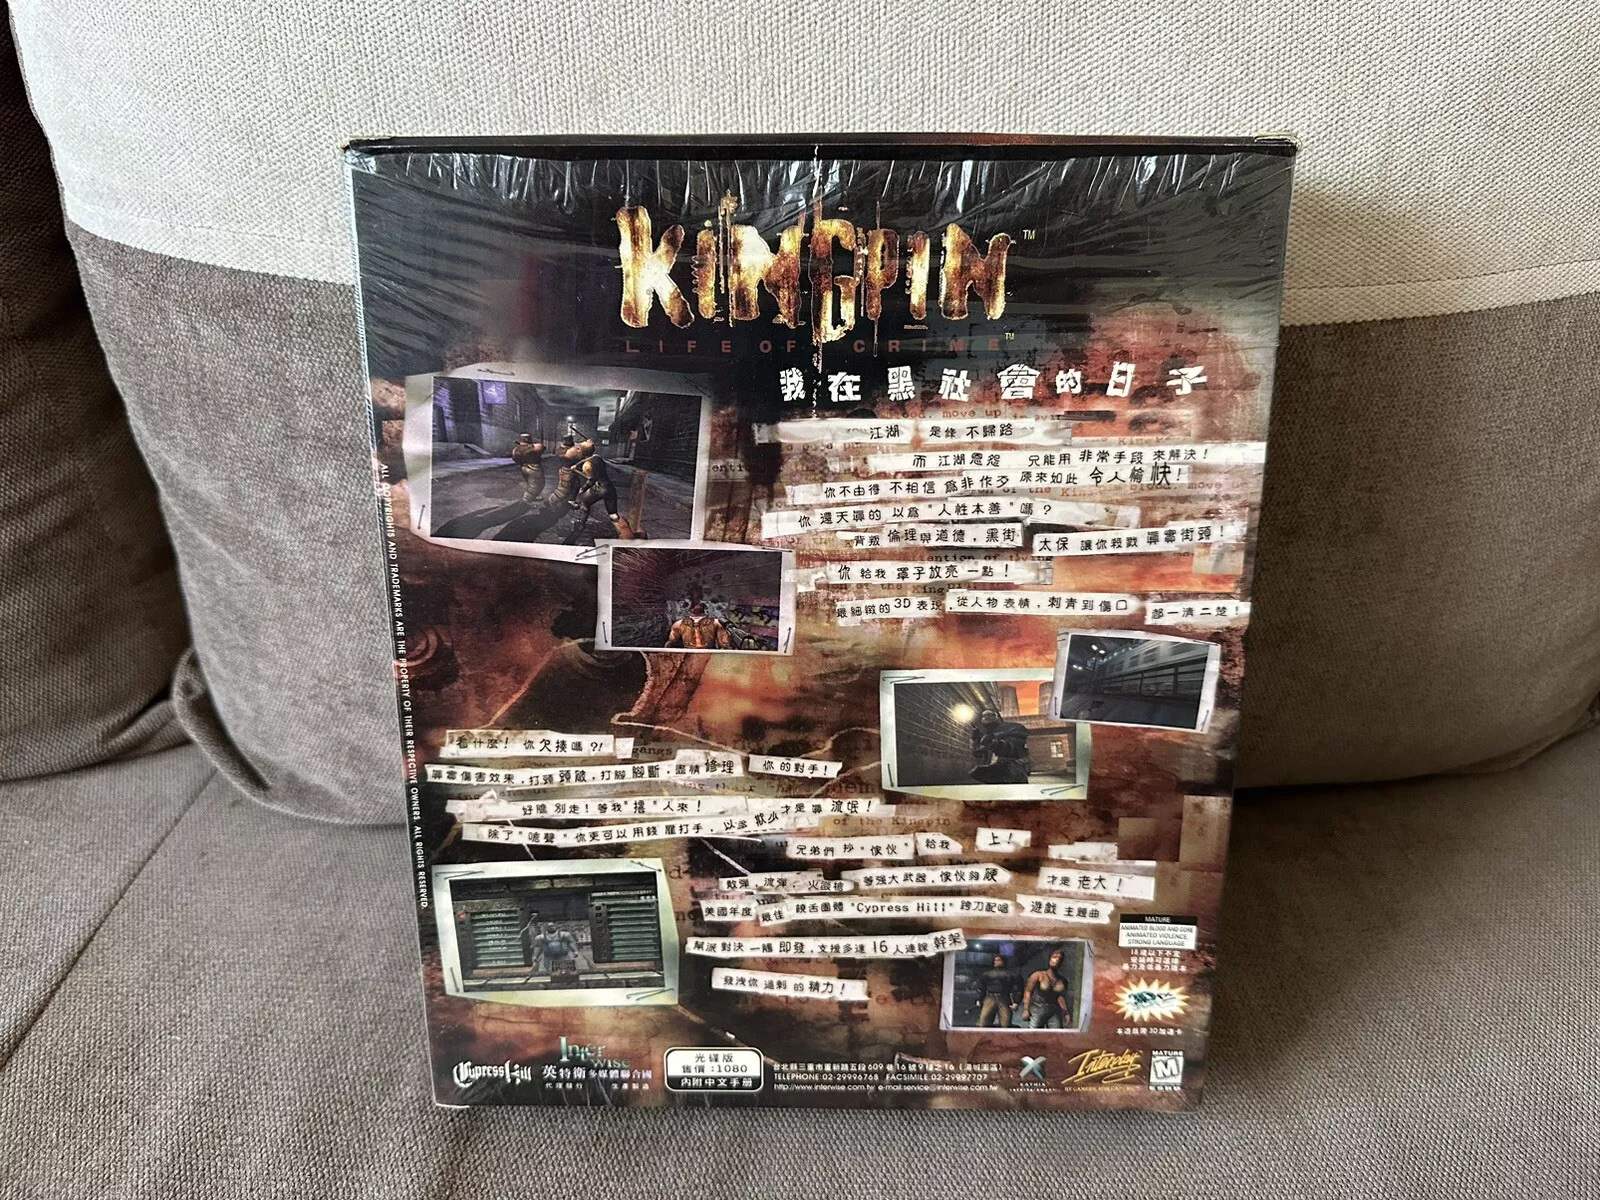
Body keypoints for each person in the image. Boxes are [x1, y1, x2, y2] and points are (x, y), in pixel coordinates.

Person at [970, 706, 1031, 784]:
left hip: (1013, 768)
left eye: (989, 716)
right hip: (999, 770)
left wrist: (991, 742)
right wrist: (976, 740)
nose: (987, 718)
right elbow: (978, 753)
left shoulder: (1012, 729)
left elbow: (1013, 749)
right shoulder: (988, 733)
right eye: (985, 717)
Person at [1022, 948, 1075, 1029]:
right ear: (1050, 958)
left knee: (1057, 1033)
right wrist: (1026, 1009)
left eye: (1060, 958)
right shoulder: (1038, 975)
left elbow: (1061, 997)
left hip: (1054, 1010)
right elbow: (1028, 991)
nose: (1057, 960)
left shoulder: (1063, 981)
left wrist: (1067, 1014)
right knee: (1034, 1033)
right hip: (1037, 1009)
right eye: (1055, 957)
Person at [973, 953, 1019, 1027]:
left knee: (1005, 1023)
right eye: (995, 960)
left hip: (1004, 998)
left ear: (1003, 961)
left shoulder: (1011, 975)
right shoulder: (987, 974)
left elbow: (1016, 989)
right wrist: (979, 998)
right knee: (984, 1021)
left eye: (998, 960)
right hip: (990, 997)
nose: (996, 962)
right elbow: (981, 987)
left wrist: (1016, 1002)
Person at [666, 601, 732, 649]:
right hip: (690, 654)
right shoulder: (678, 624)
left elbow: (725, 644)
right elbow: (724, 643)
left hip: (706, 654)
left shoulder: (716, 623)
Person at [510, 432, 546, 503]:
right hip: (534, 469)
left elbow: (515, 460)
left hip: (524, 468)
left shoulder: (516, 450)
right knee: (538, 485)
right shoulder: (535, 447)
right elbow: (542, 448)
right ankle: (525, 502)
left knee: (530, 484)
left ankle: (532, 496)